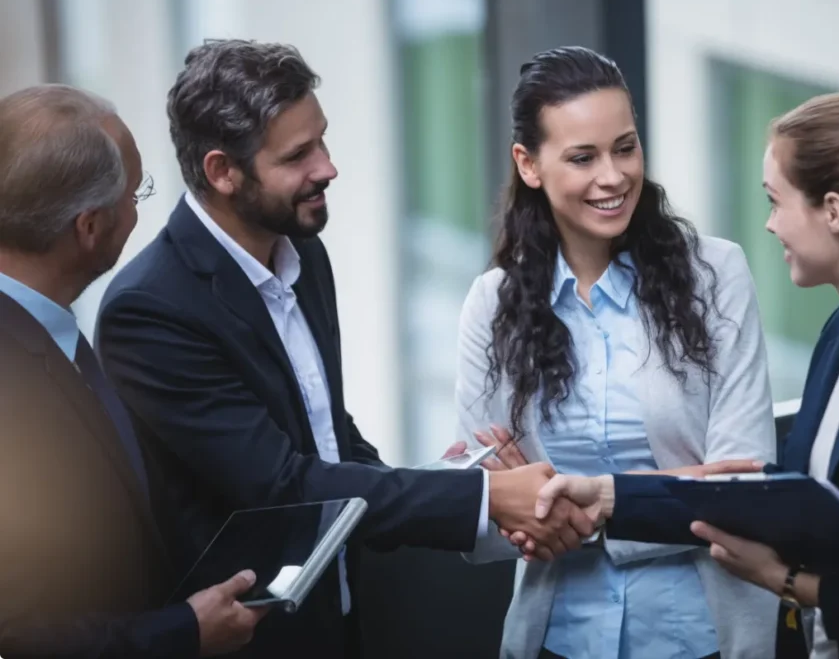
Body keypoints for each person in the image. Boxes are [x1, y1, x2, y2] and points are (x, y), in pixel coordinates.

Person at [94, 40, 592, 658]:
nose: (327, 167)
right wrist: (485, 499)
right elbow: (281, 485)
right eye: (299, 155)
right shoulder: (150, 310)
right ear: (223, 172)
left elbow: (327, 434)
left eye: (321, 140)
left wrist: (444, 478)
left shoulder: (302, 249)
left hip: (343, 618)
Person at [534, 92, 839, 658]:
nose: (769, 225)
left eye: (776, 201)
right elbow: (782, 501)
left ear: (834, 212)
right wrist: (607, 497)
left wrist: (787, 583)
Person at [454, 46, 779, 659]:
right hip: (558, 640)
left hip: (699, 638)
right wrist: (671, 489)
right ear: (529, 164)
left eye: (625, 147)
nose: (613, 176)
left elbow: (741, 488)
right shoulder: (492, 305)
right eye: (583, 157)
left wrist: (581, 505)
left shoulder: (717, 275)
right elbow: (484, 505)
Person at [0, 85, 266, 657]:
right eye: (136, 193)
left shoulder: (47, 333)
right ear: (89, 226)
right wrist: (184, 632)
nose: (138, 210)